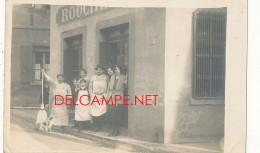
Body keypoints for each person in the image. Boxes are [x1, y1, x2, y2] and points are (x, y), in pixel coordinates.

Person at [107, 65, 127, 136]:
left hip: (119, 96)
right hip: (112, 96)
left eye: (118, 69)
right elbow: (109, 87)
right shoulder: (112, 77)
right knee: (112, 114)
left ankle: (116, 130)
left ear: (120, 70)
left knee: (117, 114)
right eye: (115, 69)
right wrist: (108, 96)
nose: (116, 71)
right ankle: (112, 129)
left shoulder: (123, 77)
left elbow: (125, 86)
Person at [89, 65, 109, 132]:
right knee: (94, 112)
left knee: (103, 111)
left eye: (100, 70)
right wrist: (92, 95)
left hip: (103, 96)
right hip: (95, 96)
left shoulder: (106, 77)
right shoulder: (93, 78)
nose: (98, 71)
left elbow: (108, 87)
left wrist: (106, 95)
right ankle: (95, 126)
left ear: (103, 70)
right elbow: (90, 88)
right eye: (97, 70)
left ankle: (101, 126)